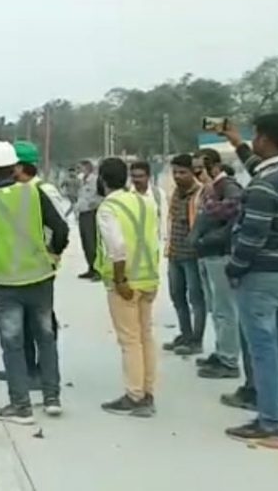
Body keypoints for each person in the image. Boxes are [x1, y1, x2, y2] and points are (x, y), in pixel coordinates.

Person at [0, 141, 69, 424]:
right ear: (14, 168)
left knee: (13, 343)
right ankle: (52, 398)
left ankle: (21, 406)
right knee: (46, 337)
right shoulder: (35, 194)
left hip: (7, 283)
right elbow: (60, 229)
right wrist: (53, 253)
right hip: (40, 277)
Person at [218, 114, 278, 448]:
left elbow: (252, 237)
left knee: (263, 350)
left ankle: (269, 424)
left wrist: (234, 268)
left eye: (255, 137)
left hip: (262, 276)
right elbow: (260, 169)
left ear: (264, 139)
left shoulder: (265, 185)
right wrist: (237, 142)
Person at [0, 141, 64, 389]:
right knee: (23, 325)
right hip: (19, 268)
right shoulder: (16, 193)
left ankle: (42, 375)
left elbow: (59, 228)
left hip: (39, 268)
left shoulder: (42, 191)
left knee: (41, 326)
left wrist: (52, 255)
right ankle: (25, 370)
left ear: (19, 167)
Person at [94, 157, 161, 417]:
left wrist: (120, 280)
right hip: (149, 278)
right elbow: (154, 238)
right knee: (146, 338)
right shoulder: (144, 201)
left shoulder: (109, 207)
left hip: (126, 282)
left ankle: (135, 395)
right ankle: (148, 391)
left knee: (130, 341)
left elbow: (117, 247)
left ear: (102, 180)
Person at [189, 148, 244, 379]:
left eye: (199, 170)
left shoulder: (227, 187)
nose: (197, 175)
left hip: (221, 254)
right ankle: (222, 351)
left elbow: (232, 215)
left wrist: (206, 238)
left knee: (225, 309)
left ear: (214, 167)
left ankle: (229, 359)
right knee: (216, 308)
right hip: (207, 254)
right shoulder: (210, 189)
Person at [163, 154, 207, 356]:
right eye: (175, 172)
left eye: (183, 172)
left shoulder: (201, 193)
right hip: (174, 253)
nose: (178, 176)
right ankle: (185, 334)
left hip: (193, 255)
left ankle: (196, 341)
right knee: (177, 296)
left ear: (193, 172)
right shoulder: (174, 193)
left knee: (196, 299)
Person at [74, 160, 102, 280]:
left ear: (88, 168)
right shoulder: (82, 181)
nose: (78, 171)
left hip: (92, 213)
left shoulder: (95, 181)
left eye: (80, 168)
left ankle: (98, 269)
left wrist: (94, 204)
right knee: (85, 242)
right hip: (83, 213)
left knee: (92, 242)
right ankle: (90, 267)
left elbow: (102, 195)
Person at [129, 161, 166, 240]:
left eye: (140, 176)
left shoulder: (158, 194)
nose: (136, 180)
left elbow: (163, 221)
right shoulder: (126, 195)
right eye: (134, 176)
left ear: (148, 176)